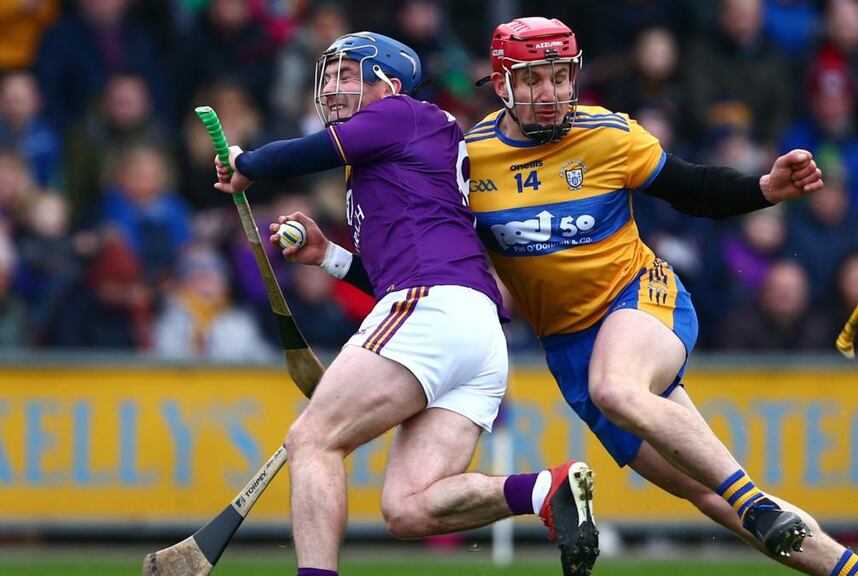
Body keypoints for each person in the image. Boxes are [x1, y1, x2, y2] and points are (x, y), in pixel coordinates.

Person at [463, 16, 858, 576]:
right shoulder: (467, 162)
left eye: (561, 76)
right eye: (533, 80)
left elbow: (691, 188)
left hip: (640, 298)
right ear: (502, 85)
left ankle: (755, 502)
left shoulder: (609, 135)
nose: (550, 94)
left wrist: (764, 189)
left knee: (618, 388)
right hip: (568, 348)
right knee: (714, 496)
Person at [212, 32, 598, 576]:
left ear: (390, 87)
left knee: (312, 440)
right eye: (328, 77)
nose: (331, 87)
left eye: (348, 76)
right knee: (409, 506)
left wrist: (246, 161)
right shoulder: (390, 161)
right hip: (473, 331)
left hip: (433, 310)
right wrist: (327, 256)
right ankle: (543, 490)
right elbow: (390, 275)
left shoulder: (405, 114)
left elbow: (307, 153)